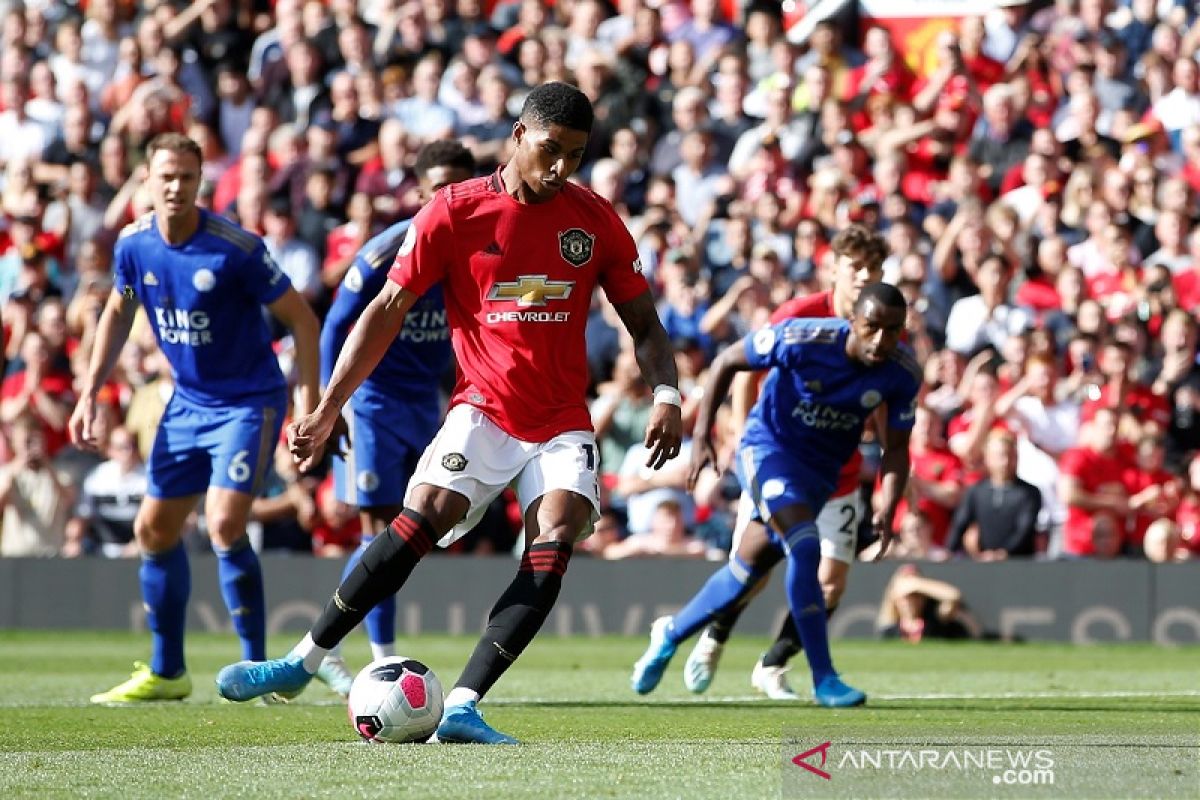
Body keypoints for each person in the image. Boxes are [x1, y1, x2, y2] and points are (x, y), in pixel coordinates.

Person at [215, 82, 683, 744]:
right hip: (483, 409)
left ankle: (462, 705)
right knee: (423, 517)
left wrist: (667, 394)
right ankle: (304, 661)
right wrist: (327, 405)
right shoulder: (452, 213)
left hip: (559, 421)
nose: (561, 169)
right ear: (518, 136)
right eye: (551, 150)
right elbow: (384, 312)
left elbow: (646, 324)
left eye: (575, 156)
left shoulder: (595, 220)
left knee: (556, 533)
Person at [68, 132, 321, 704]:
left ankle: (259, 668)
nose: (176, 186)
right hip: (185, 402)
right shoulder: (134, 245)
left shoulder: (235, 248)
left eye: (186, 176)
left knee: (224, 521)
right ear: (147, 180)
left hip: (247, 401)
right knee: (152, 531)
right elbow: (116, 311)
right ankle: (168, 671)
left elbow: (304, 322)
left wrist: (307, 408)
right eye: (166, 176)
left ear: (200, 180)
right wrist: (89, 392)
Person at [631, 283, 920, 707]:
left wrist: (889, 505)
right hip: (768, 451)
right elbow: (729, 360)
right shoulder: (803, 338)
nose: (881, 340)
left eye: (893, 330)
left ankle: (670, 633)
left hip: (821, 472)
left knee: (746, 571)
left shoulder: (902, 373)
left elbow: (896, 449)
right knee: (804, 547)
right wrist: (704, 433)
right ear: (852, 321)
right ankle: (825, 678)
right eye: (872, 327)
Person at [678, 224, 890, 700]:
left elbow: (887, 409)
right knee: (755, 568)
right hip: (779, 457)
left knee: (831, 584)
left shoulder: (880, 325)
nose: (865, 277)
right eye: (857, 267)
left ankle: (772, 665)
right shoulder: (799, 314)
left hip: (838, 470)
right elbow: (743, 370)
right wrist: (733, 431)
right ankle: (715, 634)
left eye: (874, 269)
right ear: (833, 268)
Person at [310, 140, 477, 698]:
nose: (445, 199)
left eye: (455, 187)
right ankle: (376, 662)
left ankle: (332, 647)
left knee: (410, 532)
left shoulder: (480, 246)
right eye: (436, 189)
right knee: (378, 530)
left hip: (428, 405)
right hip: (374, 403)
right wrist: (327, 406)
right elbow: (335, 325)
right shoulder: (387, 250)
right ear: (419, 192)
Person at [946, 430, 1042, 558]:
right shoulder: (976, 492)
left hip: (1020, 563)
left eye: (1011, 456)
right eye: (1000, 456)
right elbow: (960, 523)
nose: (1005, 462)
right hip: (985, 562)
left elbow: (1025, 528)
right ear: (987, 458)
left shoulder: (1029, 493)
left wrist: (1004, 553)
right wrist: (949, 551)